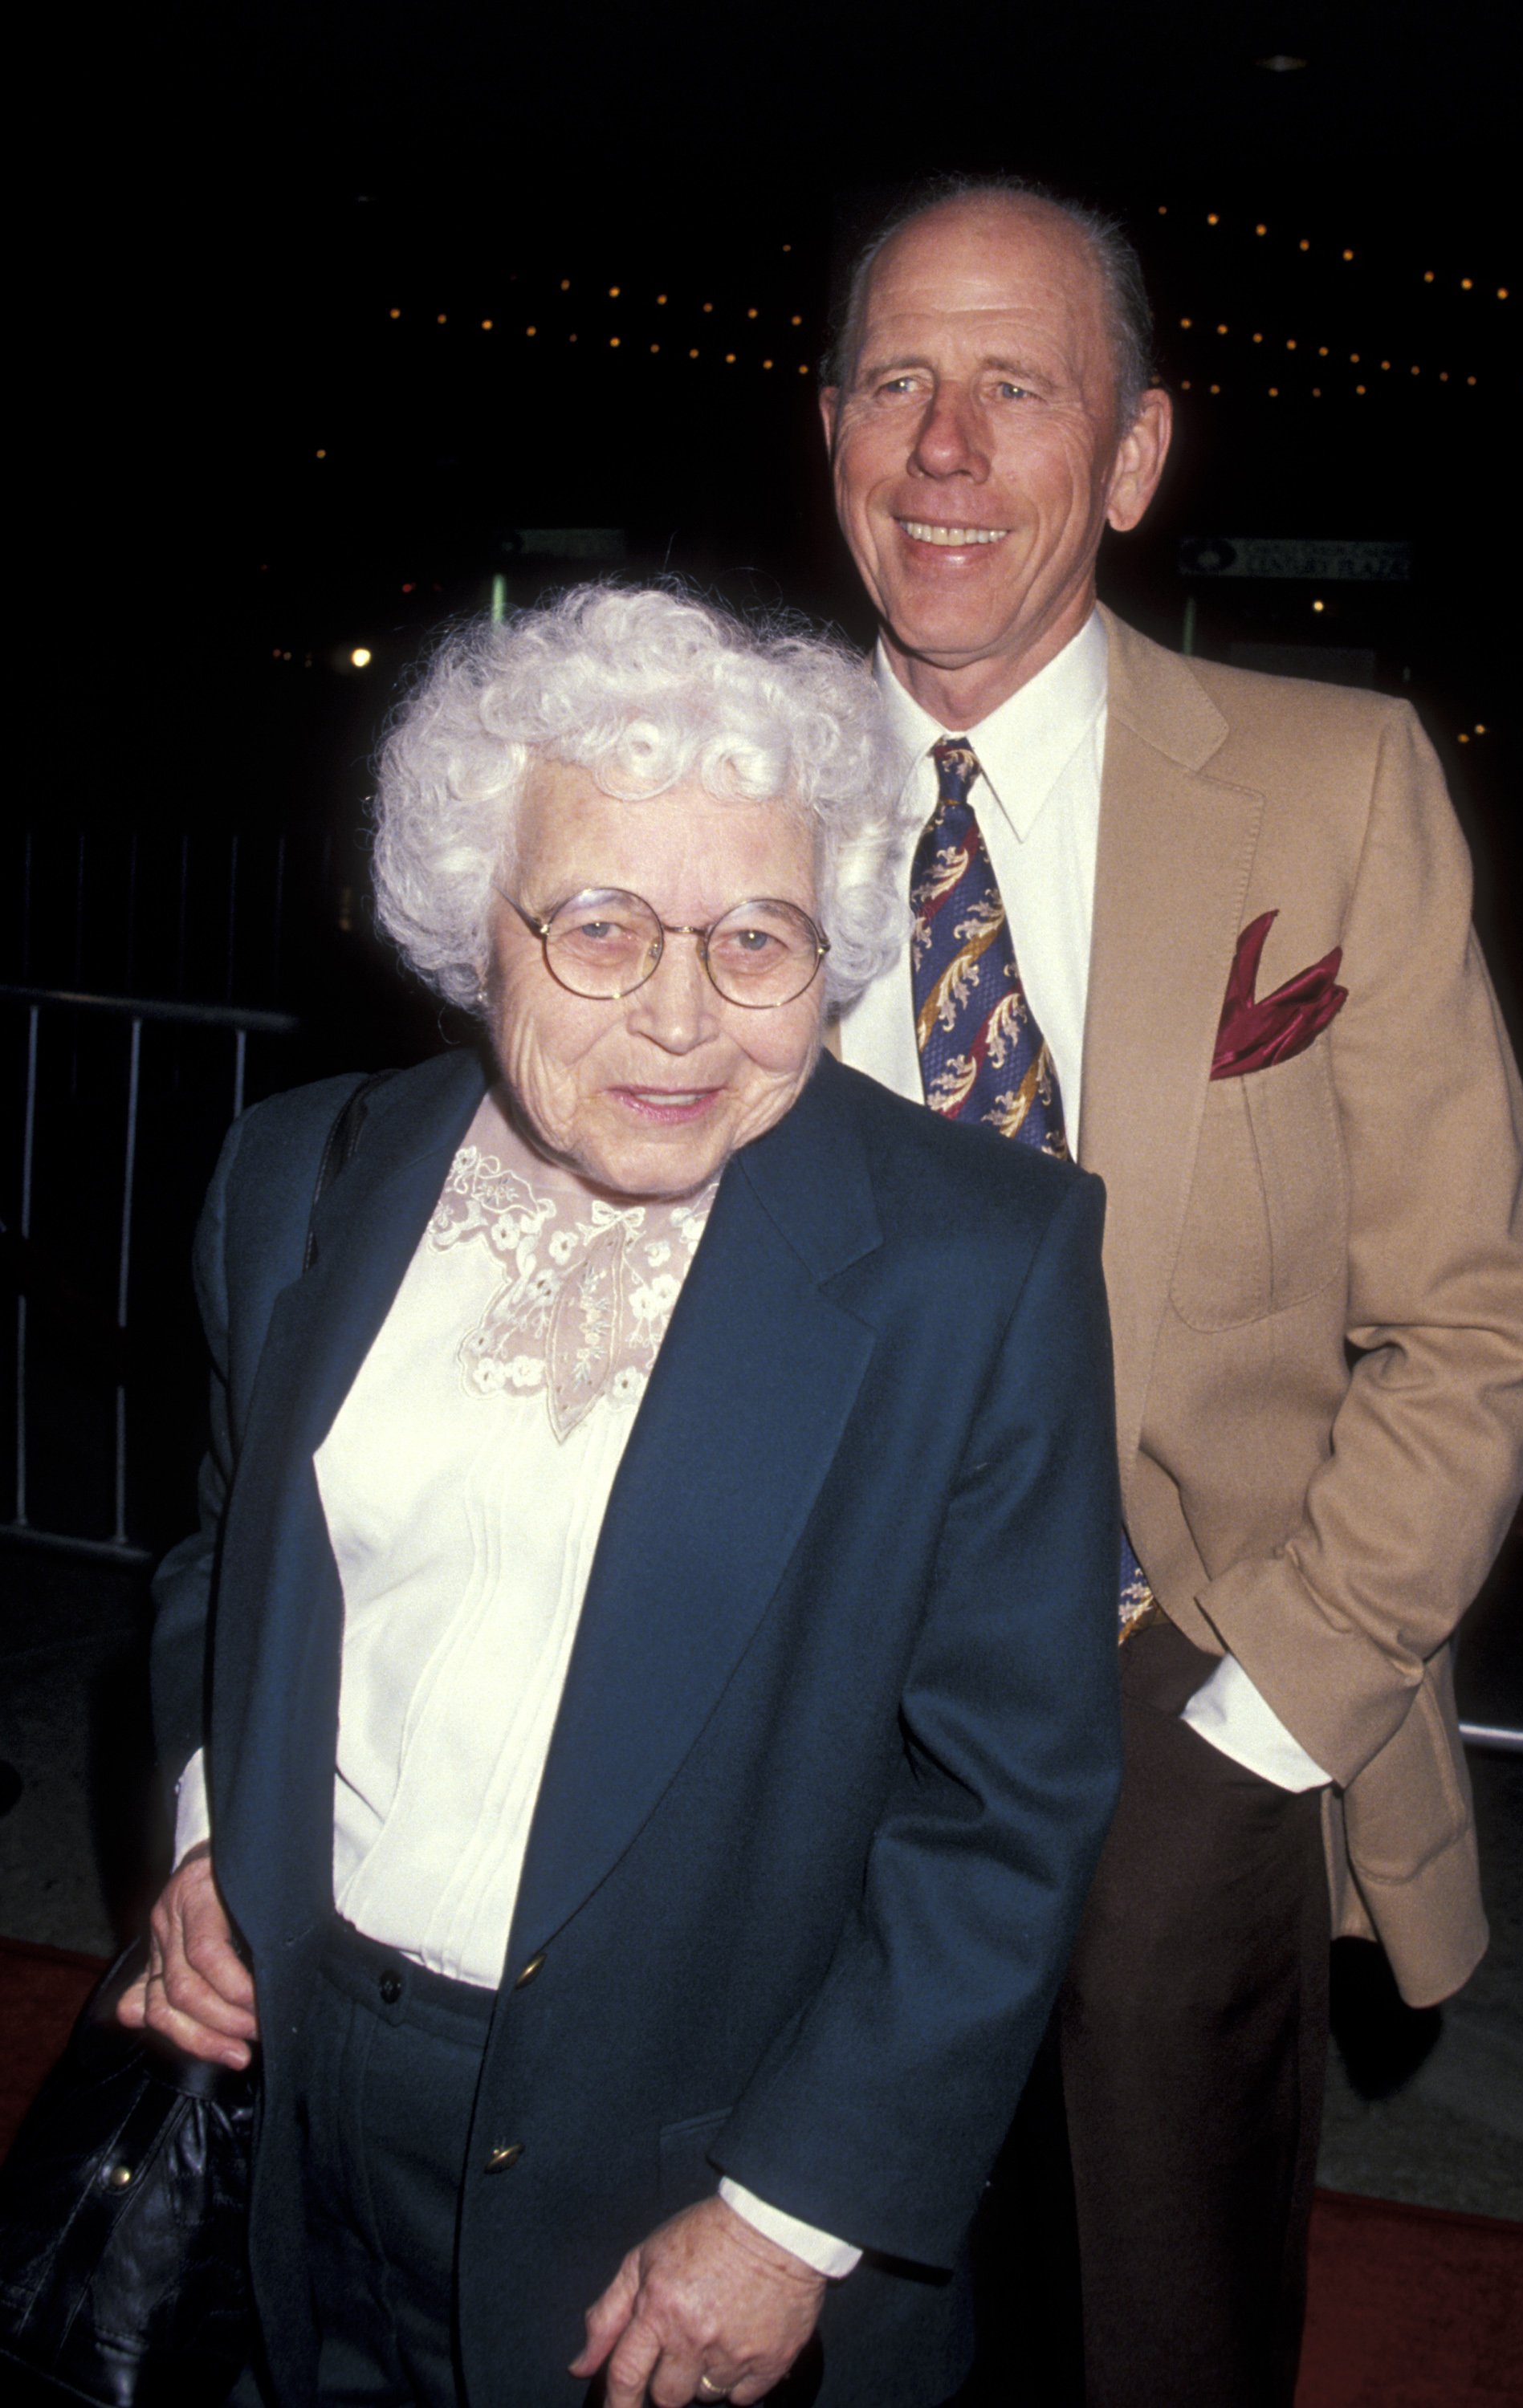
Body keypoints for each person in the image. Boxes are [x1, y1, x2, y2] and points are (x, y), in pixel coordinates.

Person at [119, 584, 1126, 2408]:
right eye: (599, 926)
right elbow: (220, 1557)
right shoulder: (296, 1180)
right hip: (305, 2074)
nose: (683, 1020)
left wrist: (793, 2211)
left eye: (755, 939)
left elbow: (1011, 1801)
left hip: (687, 2152)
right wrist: (210, 1825)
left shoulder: (978, 1266)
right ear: (467, 927)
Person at [819, 177, 1523, 2406]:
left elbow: (1480, 1314)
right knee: (784, 2294)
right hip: (793, 1655)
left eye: (1017, 389)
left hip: (1173, 1655)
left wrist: (1266, 1719)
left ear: (1134, 457)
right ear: (831, 431)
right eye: (896, 384)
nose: (947, 449)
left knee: (1149, 2333)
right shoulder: (707, 792)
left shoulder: (1331, 793)